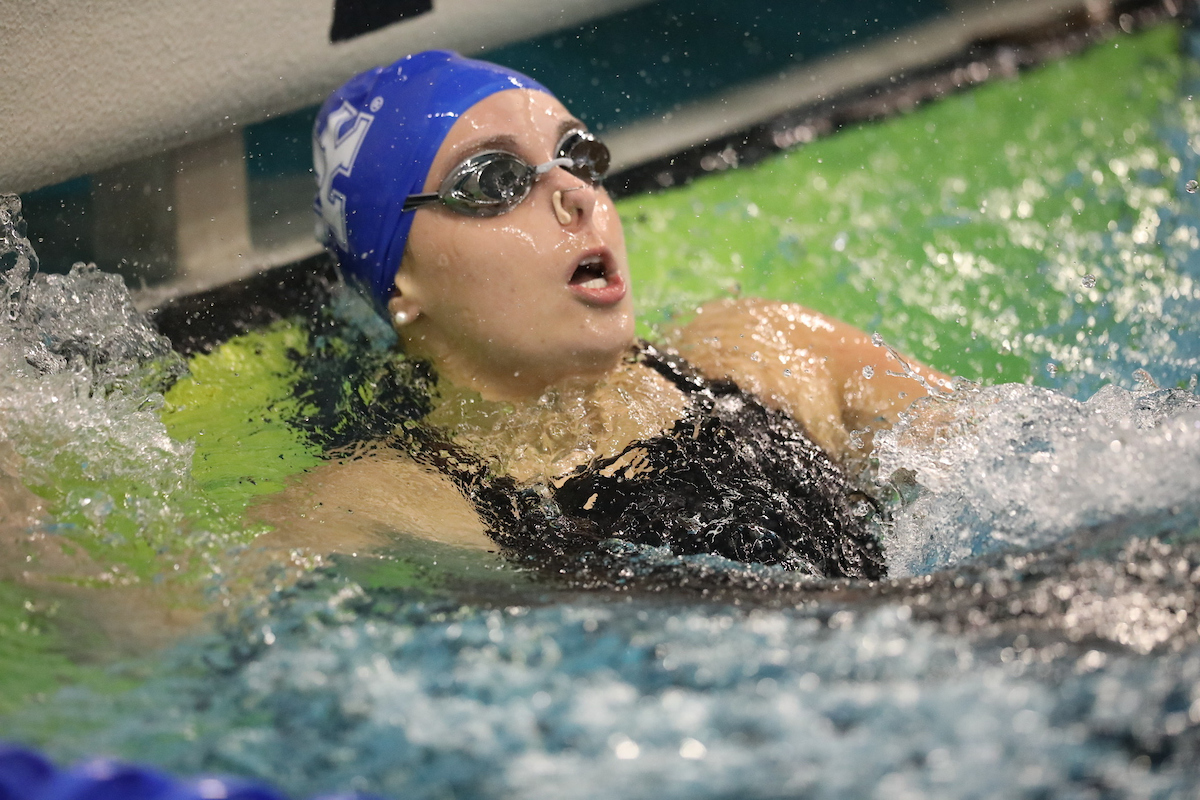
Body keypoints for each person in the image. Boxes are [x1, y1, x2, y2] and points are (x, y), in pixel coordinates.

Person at [251, 50, 950, 580]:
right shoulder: (386, 501)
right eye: (494, 179)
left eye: (577, 156)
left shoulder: (767, 353)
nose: (577, 195)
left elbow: (1003, 458)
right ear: (399, 281)